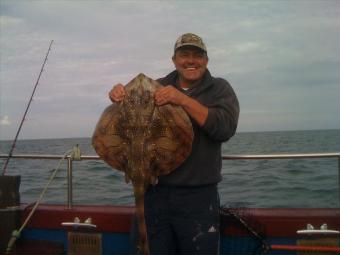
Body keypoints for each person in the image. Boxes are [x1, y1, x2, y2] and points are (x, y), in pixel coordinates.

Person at [109, 33, 239, 255]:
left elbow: (225, 128)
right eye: (184, 55)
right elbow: (128, 125)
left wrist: (183, 100)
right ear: (174, 60)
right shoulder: (156, 87)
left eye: (197, 56)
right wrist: (119, 96)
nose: (191, 60)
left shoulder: (219, 88)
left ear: (206, 60)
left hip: (198, 196)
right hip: (154, 191)